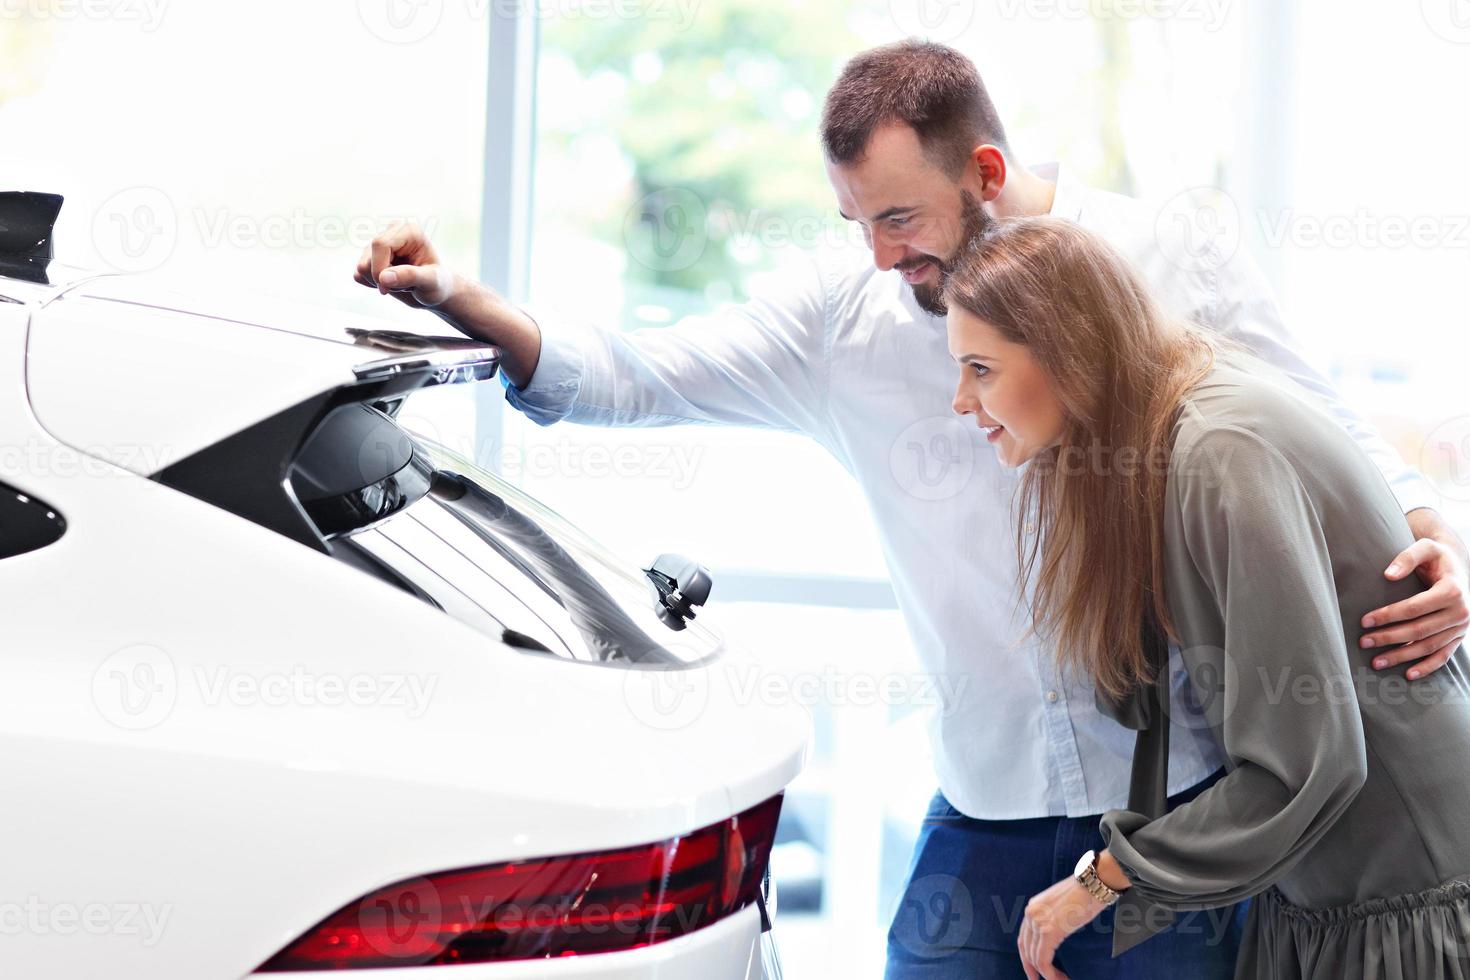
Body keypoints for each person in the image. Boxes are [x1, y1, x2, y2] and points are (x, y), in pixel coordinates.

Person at [354, 40, 1470, 978]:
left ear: (985, 169)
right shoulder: (846, 319)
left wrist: (1432, 535)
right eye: (855, 223)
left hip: (1179, 797)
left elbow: (1324, 426)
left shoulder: (1169, 260)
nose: (883, 257)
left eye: (898, 215)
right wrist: (471, 306)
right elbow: (644, 373)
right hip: (983, 795)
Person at [943, 214, 1470, 980]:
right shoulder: (1172, 428)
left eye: (980, 368)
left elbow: (1304, 764)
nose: (960, 400)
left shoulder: (1218, 452)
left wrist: (1098, 884)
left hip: (1410, 897)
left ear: (1069, 352)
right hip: (1333, 892)